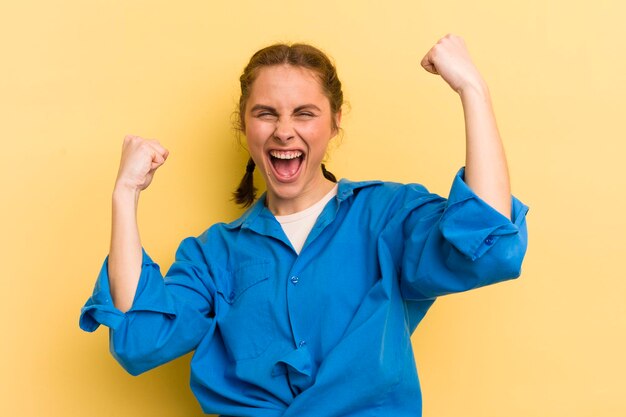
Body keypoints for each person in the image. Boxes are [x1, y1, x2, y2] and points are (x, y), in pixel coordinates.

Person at [80, 34, 528, 416]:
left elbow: (489, 245)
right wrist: (125, 194)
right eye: (266, 113)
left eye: (304, 113)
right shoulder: (213, 255)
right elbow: (140, 338)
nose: (284, 131)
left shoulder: (385, 215)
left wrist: (473, 88)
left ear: (335, 122)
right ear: (245, 125)